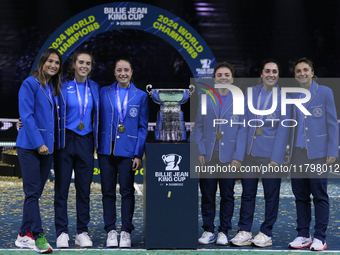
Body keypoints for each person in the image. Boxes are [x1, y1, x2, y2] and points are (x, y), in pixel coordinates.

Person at [230, 59, 291, 247]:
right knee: (247, 194)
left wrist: (277, 158)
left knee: (270, 196)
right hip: (249, 154)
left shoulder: (285, 97)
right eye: (267, 71)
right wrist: (239, 156)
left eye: (274, 71)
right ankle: (245, 230)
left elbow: (284, 129)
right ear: (261, 74)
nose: (271, 74)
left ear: (278, 75)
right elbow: (242, 126)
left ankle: (266, 232)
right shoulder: (250, 93)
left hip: (270, 156)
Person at [288, 58, 338, 251]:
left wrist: (332, 150)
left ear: (312, 72)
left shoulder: (325, 92)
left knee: (319, 195)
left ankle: (320, 237)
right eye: (298, 71)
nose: (302, 73)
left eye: (305, 70)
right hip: (296, 154)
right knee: (300, 197)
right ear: (295, 75)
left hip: (318, 154)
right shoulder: (291, 94)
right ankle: (303, 235)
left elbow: (332, 123)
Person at [15, 48, 62, 254]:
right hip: (30, 146)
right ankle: (38, 236)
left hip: (47, 148)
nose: (53, 65)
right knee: (32, 193)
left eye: (57, 63)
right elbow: (27, 116)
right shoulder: (29, 83)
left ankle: (23, 234)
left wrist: (48, 145)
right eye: (50, 61)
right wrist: (39, 143)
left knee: (34, 194)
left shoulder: (52, 86)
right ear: (42, 62)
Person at [97, 59, 149, 248]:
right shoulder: (104, 92)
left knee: (127, 192)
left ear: (131, 72)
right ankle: (110, 230)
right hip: (106, 149)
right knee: (107, 192)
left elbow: (143, 127)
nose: (122, 73)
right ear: (114, 72)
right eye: (119, 70)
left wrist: (138, 154)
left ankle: (126, 231)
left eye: (126, 70)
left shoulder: (141, 96)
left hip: (128, 151)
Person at [194, 62, 246, 245]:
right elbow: (198, 127)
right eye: (219, 75)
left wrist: (238, 156)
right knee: (207, 194)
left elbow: (242, 130)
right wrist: (199, 150)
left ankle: (224, 230)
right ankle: (208, 230)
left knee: (227, 195)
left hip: (229, 157)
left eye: (227, 74)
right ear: (214, 78)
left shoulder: (239, 100)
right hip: (208, 156)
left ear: (232, 78)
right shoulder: (205, 98)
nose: (223, 77)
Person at [53, 51, 100, 248]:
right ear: (74, 64)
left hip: (86, 139)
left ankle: (82, 232)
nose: (84, 66)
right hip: (65, 139)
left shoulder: (95, 87)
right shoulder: (61, 85)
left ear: (91, 66)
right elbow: (47, 108)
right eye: (81, 62)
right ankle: (62, 232)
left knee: (84, 190)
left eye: (88, 63)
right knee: (61, 189)